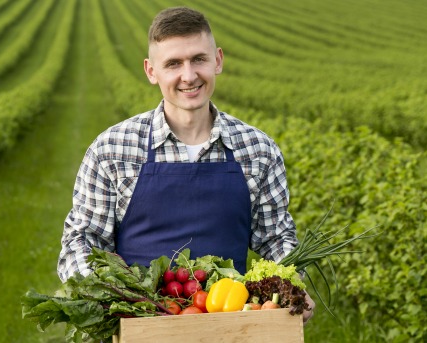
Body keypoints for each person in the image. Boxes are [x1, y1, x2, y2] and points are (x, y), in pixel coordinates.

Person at [57, 6, 314, 322]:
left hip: (231, 324)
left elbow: (276, 238)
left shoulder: (258, 149)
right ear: (151, 71)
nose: (189, 75)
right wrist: (106, 298)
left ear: (217, 60)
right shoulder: (112, 150)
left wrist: (292, 286)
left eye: (199, 59)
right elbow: (82, 241)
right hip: (139, 325)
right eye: (173, 64)